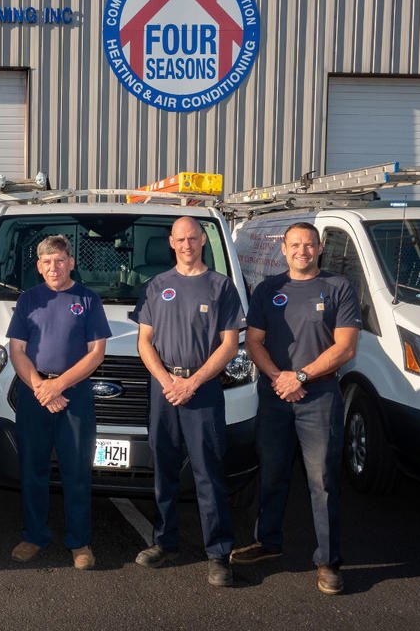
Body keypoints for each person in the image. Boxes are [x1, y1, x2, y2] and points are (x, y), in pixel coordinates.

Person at [230, 222, 360, 595]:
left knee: (322, 482)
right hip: (275, 395)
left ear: (320, 249)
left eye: (309, 245)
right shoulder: (268, 289)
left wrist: (299, 377)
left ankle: (328, 561)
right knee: (271, 473)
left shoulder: (338, 287)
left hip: (318, 396)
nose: (302, 251)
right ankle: (267, 541)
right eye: (295, 245)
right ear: (283, 250)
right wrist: (279, 378)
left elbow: (345, 348)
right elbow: (254, 341)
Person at [134, 216, 243, 587]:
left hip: (203, 389)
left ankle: (218, 553)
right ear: (170, 242)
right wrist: (168, 381)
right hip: (164, 390)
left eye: (192, 238)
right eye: (180, 239)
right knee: (163, 468)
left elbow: (229, 345)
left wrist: (192, 382)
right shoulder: (157, 285)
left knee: (208, 472)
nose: (186, 245)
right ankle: (164, 542)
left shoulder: (221, 286)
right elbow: (144, 341)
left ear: (202, 241)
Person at [6, 235, 111, 570]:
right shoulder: (28, 300)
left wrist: (59, 386)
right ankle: (34, 535)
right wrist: (40, 386)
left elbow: (96, 354)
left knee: (76, 472)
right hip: (33, 393)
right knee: (32, 469)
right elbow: (17, 351)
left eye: (60, 260)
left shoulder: (89, 299)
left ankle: (79, 542)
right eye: (47, 262)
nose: (54, 267)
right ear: (39, 266)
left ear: (71, 262)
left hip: (75, 394)